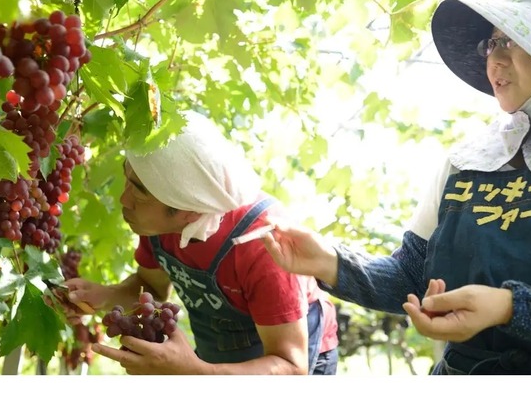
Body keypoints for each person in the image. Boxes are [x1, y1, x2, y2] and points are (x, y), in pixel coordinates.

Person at [261, 0, 531, 375]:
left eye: (514, 40)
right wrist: (330, 262)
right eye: (492, 42)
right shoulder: (467, 161)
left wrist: (509, 307)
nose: (495, 58)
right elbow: (412, 277)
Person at [53, 112, 340, 375]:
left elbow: (291, 368)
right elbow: (151, 287)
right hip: (217, 365)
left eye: (139, 193)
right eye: (128, 180)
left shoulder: (263, 246)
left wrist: (194, 373)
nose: (123, 199)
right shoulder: (158, 221)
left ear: (190, 209)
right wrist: (105, 296)